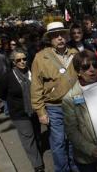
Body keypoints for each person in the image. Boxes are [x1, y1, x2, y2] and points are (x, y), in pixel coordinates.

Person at [30, 21, 78, 172]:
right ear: (49, 39)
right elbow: (36, 86)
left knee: (73, 140)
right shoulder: (40, 57)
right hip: (54, 107)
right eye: (55, 36)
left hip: (74, 104)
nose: (59, 38)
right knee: (58, 142)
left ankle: (74, 167)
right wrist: (40, 111)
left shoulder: (75, 53)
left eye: (62, 34)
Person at [0, 48, 44, 172]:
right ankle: (38, 165)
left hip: (36, 110)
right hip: (19, 113)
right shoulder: (7, 76)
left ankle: (38, 152)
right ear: (13, 62)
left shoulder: (33, 72)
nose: (22, 62)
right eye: (19, 60)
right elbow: (0, 93)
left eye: (24, 59)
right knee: (28, 138)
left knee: (37, 135)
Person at [63, 50, 97, 172]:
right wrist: (91, 149)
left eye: (95, 65)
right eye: (86, 66)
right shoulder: (69, 98)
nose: (92, 69)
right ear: (78, 71)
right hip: (87, 158)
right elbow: (71, 131)